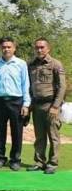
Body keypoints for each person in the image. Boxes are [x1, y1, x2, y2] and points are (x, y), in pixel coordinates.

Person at [0, 36, 30, 171]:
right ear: (0, 48)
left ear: (14, 48)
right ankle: (0, 158)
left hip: (16, 101)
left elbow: (25, 84)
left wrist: (26, 104)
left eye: (9, 47)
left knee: (16, 132)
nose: (6, 49)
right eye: (4, 47)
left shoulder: (21, 64)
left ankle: (15, 159)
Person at [27, 38, 66, 174]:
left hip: (51, 105)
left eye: (42, 47)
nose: (39, 50)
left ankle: (52, 163)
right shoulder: (31, 64)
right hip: (37, 105)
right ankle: (39, 162)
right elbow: (29, 86)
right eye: (37, 47)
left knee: (53, 136)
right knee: (39, 137)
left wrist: (56, 106)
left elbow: (62, 87)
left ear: (48, 48)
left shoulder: (55, 64)